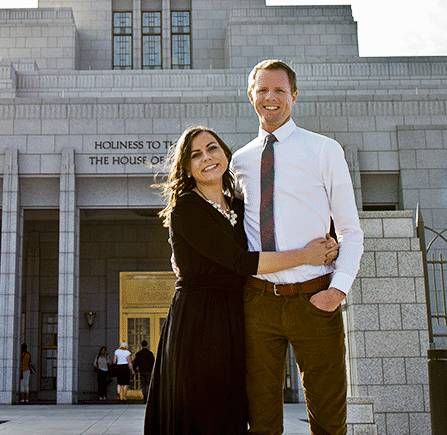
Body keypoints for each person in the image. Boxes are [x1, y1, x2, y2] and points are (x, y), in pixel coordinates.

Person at [144, 126, 338, 435]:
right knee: (201, 412)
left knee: (230, 413)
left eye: (212, 148)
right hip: (199, 322)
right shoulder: (187, 208)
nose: (207, 158)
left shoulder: (238, 205)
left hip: (236, 317)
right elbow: (240, 261)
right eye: (196, 155)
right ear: (187, 168)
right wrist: (306, 255)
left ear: (225, 153)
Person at [231, 59, 364, 435]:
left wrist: (337, 291)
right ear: (251, 96)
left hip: (314, 299)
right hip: (257, 303)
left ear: (294, 96)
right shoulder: (238, 161)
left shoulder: (324, 150)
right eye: (262, 90)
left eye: (279, 91)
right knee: (261, 420)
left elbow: (351, 231)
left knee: (328, 418)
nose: (270, 98)